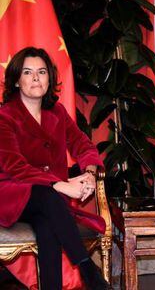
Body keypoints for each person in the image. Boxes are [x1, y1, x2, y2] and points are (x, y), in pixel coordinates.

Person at [0, 47, 111, 289]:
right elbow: (15, 167)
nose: (36, 78)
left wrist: (90, 174)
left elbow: (82, 144)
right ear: (17, 81)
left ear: (49, 78)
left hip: (48, 201)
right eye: (28, 73)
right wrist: (62, 185)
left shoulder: (56, 111)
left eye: (41, 72)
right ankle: (88, 270)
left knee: (47, 223)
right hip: (11, 195)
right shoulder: (5, 116)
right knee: (48, 196)